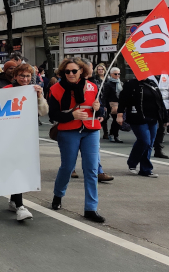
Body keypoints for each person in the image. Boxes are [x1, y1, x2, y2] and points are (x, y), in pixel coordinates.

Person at [48, 58, 105, 223]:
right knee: (67, 167)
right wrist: (71, 115)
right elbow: (53, 115)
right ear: (63, 73)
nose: (71, 74)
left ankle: (91, 208)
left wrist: (99, 108)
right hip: (68, 131)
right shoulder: (55, 89)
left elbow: (101, 110)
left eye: (74, 71)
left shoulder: (92, 87)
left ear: (82, 71)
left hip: (91, 130)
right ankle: (58, 195)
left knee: (91, 169)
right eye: (67, 71)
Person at [1, 63, 47, 221]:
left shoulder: (33, 91)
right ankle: (19, 205)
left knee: (20, 167)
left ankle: (15, 201)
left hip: (27, 136)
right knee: (15, 168)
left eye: (28, 76)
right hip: (9, 137)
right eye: (22, 76)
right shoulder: (6, 90)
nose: (25, 79)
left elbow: (43, 111)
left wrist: (40, 96)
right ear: (15, 76)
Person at [117, 76, 168, 178]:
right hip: (137, 117)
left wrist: (165, 118)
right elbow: (123, 99)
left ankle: (145, 169)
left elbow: (160, 101)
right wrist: (120, 114)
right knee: (144, 141)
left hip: (153, 117)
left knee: (149, 144)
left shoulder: (152, 84)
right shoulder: (131, 84)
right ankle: (132, 162)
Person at [151, 74, 169, 159]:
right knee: (150, 127)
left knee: (161, 129)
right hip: (150, 106)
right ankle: (147, 147)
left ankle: (158, 150)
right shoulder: (147, 75)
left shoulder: (168, 77)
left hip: (165, 107)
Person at [103, 67, 123, 143]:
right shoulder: (108, 84)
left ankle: (115, 135)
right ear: (111, 74)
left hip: (119, 104)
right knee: (115, 120)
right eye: (115, 74)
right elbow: (105, 95)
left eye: (119, 74)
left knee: (117, 120)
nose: (117, 75)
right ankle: (113, 135)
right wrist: (104, 105)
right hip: (111, 105)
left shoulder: (120, 83)